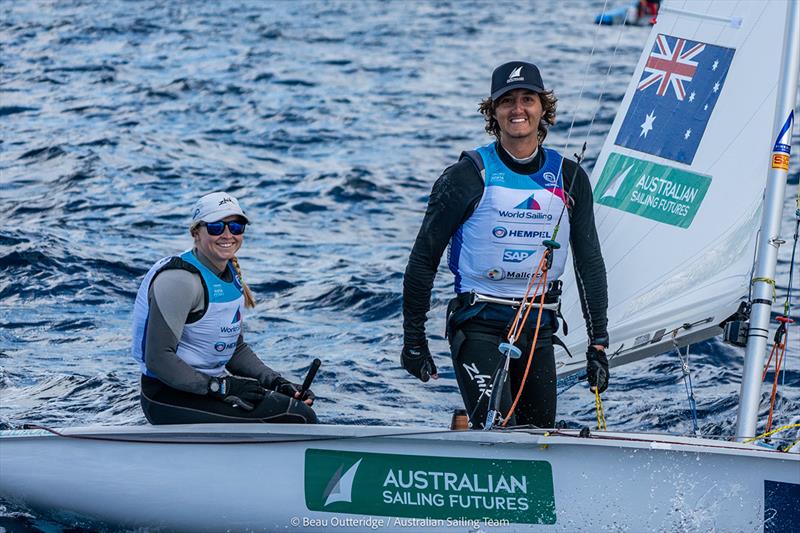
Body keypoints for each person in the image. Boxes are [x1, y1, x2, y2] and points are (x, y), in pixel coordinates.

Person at [401, 61, 609, 429]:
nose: (518, 109)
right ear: (492, 112)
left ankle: (465, 430)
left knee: (539, 434)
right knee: (500, 429)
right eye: (507, 101)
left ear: (543, 108)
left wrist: (598, 345)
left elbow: (588, 262)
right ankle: (475, 434)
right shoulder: (466, 176)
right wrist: (414, 340)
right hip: (478, 321)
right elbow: (423, 260)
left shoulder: (570, 178)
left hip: (538, 326)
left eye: (527, 99)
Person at [131, 191, 317, 424]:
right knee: (297, 416)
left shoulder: (229, 275)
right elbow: (158, 359)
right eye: (216, 227)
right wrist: (221, 387)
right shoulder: (179, 280)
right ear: (196, 232)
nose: (228, 235)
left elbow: (235, 351)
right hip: (167, 396)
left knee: (294, 405)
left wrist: (278, 383)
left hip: (207, 388)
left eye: (236, 227)